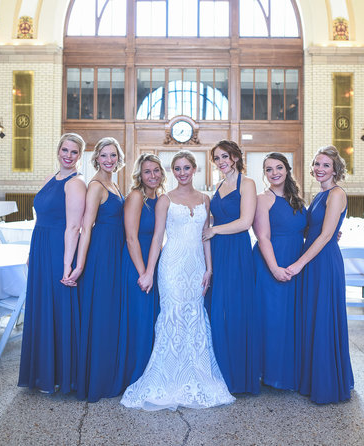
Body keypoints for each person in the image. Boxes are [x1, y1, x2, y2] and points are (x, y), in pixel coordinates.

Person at [121, 150, 234, 410]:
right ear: (172, 173)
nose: (182, 173)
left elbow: (206, 235)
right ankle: (167, 376)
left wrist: (209, 268)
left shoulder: (206, 200)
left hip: (196, 266)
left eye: (186, 168)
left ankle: (197, 374)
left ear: (195, 170)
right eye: (177, 169)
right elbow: (158, 238)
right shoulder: (165, 200)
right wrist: (149, 272)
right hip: (171, 265)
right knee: (172, 316)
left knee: (195, 316)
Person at [18, 132, 87, 394]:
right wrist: (31, 252)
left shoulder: (76, 183)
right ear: (58, 150)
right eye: (65, 150)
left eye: (74, 152)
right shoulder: (50, 178)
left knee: (59, 308)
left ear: (80, 156)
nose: (68, 156)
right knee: (42, 308)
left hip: (60, 249)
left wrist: (67, 265)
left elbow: (74, 226)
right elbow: (41, 218)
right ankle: (41, 372)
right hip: (41, 248)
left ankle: (59, 374)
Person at [287, 145, 354, 404]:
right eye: (316, 164)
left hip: (322, 262)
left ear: (336, 169)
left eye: (325, 165)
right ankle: (313, 378)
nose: (319, 169)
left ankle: (326, 384)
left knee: (324, 317)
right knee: (313, 317)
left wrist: (299, 264)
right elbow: (317, 231)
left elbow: (326, 235)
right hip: (314, 257)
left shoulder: (336, 193)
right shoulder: (318, 194)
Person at [67, 137, 125, 402]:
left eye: (113, 155)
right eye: (104, 156)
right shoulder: (96, 185)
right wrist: (80, 264)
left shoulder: (114, 183)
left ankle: (109, 373)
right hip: (100, 255)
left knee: (110, 315)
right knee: (100, 315)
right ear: (96, 159)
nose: (109, 160)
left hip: (115, 253)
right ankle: (95, 380)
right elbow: (85, 227)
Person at [203, 140, 259, 394]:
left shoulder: (247, 184)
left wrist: (213, 229)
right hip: (218, 250)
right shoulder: (218, 186)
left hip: (236, 250)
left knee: (236, 309)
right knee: (217, 309)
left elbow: (245, 222)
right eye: (217, 158)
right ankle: (220, 371)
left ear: (235, 157)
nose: (221, 161)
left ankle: (239, 375)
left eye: (225, 156)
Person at [252, 153, 307, 390]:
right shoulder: (262, 199)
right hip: (271, 261)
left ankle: (291, 370)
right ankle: (271, 373)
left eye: (278, 167)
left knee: (291, 318)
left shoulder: (297, 199)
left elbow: (300, 229)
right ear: (264, 174)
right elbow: (262, 236)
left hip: (296, 260)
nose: (274, 173)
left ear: (287, 169)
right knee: (273, 318)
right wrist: (274, 269)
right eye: (268, 169)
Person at [113, 153, 166, 394]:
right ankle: (134, 375)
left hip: (154, 262)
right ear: (139, 175)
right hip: (137, 263)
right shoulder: (136, 197)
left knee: (151, 319)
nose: (152, 175)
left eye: (156, 170)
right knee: (139, 318)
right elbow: (131, 237)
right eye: (147, 171)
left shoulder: (162, 198)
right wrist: (144, 272)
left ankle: (150, 371)